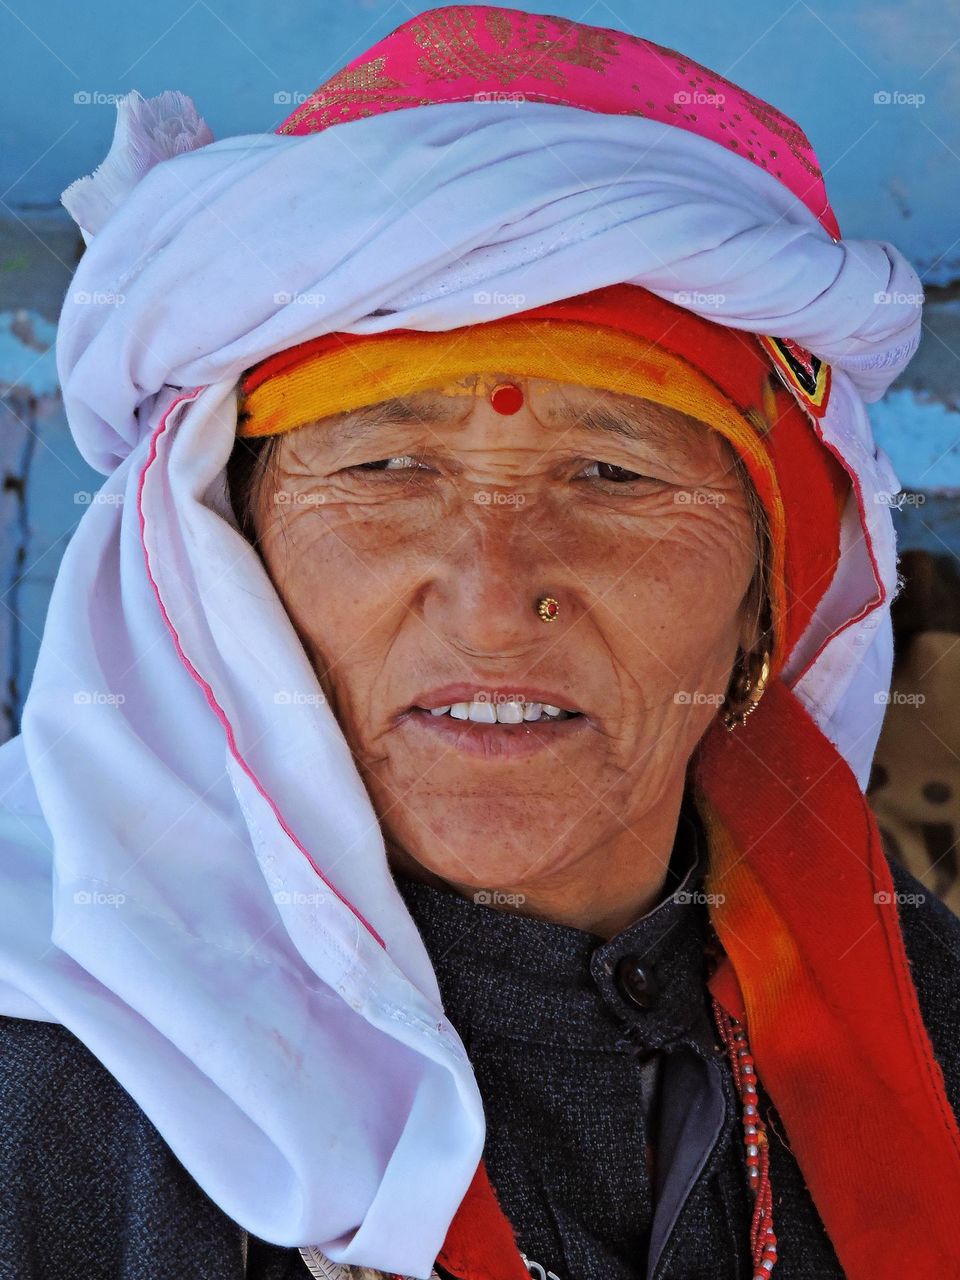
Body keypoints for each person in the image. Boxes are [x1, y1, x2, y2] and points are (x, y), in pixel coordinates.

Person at [0, 6, 958, 1279]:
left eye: (613, 475)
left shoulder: (930, 1012)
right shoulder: (45, 1070)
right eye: (385, 468)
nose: (496, 600)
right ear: (229, 568)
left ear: (763, 603)